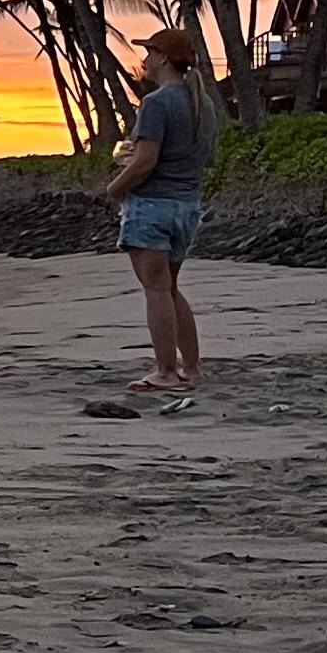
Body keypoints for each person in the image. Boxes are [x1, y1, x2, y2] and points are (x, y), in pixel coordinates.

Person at [102, 26, 216, 399]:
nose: (145, 59)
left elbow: (147, 161)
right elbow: (201, 158)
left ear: (164, 58)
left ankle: (167, 371)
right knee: (170, 289)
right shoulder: (203, 104)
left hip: (152, 207)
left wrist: (115, 187)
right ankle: (192, 368)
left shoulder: (156, 103)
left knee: (157, 291)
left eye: (149, 52)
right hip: (187, 207)